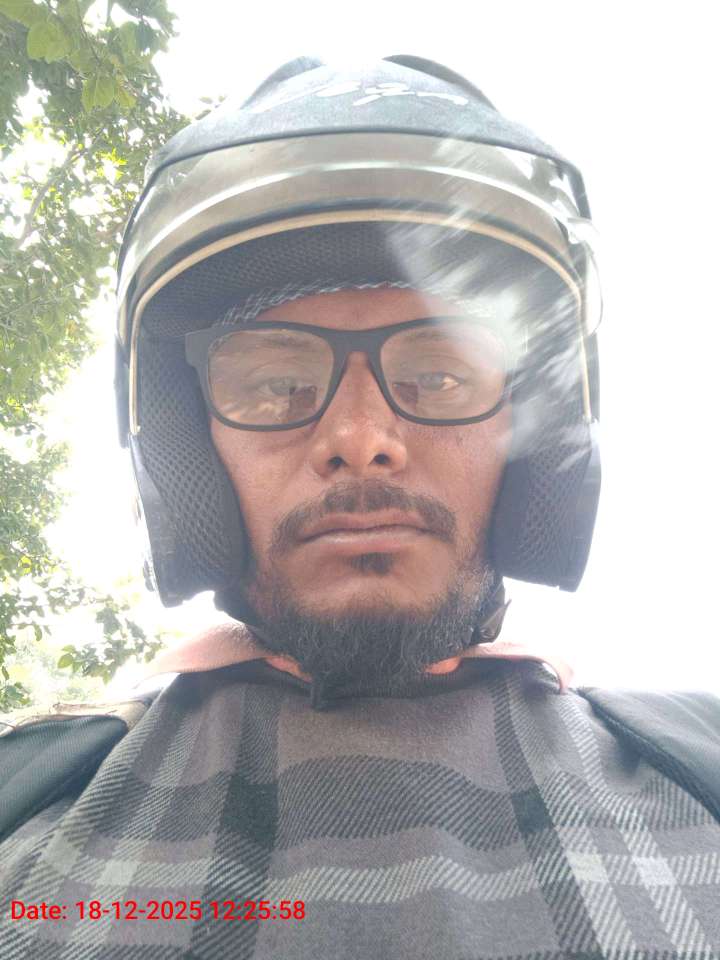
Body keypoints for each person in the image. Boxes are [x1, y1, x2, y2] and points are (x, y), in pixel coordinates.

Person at [1, 55, 719, 959]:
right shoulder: (24, 803)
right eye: (275, 383)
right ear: (188, 447)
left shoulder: (700, 766)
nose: (361, 437)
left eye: (439, 374)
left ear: (535, 438)